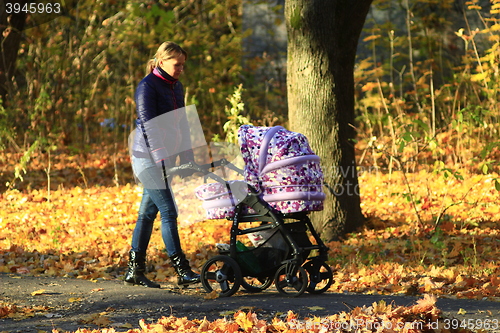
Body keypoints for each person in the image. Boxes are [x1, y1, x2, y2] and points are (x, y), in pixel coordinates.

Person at [125, 41, 200, 288]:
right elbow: (148, 124)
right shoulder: (147, 86)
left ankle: (134, 271)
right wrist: (160, 155)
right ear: (161, 61)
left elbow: (182, 124)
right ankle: (183, 271)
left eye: (182, 65)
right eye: (176, 64)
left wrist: (187, 157)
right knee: (169, 211)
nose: (180, 69)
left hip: (164, 158)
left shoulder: (176, 87)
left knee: (147, 214)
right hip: (146, 157)